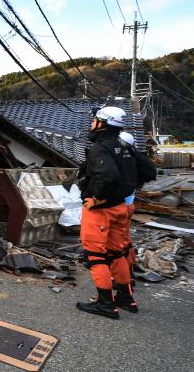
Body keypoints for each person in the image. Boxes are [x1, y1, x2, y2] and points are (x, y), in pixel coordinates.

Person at [76, 106, 137, 319]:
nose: (91, 124)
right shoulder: (124, 147)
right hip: (121, 206)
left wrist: (97, 198)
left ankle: (105, 304)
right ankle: (125, 297)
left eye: (94, 120)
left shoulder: (100, 148)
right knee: (116, 252)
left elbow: (108, 175)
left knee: (95, 254)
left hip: (102, 210)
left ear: (103, 122)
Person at [116, 131, 157, 296]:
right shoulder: (137, 157)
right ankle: (129, 271)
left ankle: (123, 280)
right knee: (125, 241)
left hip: (118, 206)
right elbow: (151, 173)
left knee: (115, 245)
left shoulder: (121, 159)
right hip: (129, 204)